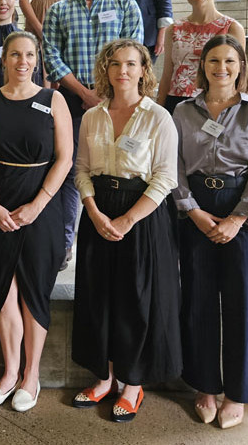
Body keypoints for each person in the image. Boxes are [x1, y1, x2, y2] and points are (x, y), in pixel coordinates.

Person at [70, 38, 180, 423]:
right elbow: (81, 169)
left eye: (131, 64)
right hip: (98, 210)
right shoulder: (91, 117)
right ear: (106, 69)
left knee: (135, 299)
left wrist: (127, 219)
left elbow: (165, 178)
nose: (123, 71)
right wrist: (95, 212)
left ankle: (132, 385)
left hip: (142, 216)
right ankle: (104, 378)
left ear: (144, 70)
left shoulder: (158, 117)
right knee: (99, 297)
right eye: (115, 64)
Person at [173, 34, 248, 430]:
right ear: (203, 66)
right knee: (198, 298)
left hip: (244, 212)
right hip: (197, 210)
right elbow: (174, 167)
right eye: (213, 61)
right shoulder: (183, 111)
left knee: (242, 301)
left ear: (240, 66)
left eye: (229, 61)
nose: (221, 68)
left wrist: (237, 219)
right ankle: (205, 387)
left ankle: (237, 391)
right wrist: (193, 211)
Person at [0, 31, 73, 413]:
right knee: (4, 291)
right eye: (15, 54)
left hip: (41, 207)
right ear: (5, 59)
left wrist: (38, 204)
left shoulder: (54, 99)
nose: (23, 61)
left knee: (33, 291)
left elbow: (64, 158)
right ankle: (10, 371)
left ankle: (32, 375)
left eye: (29, 54)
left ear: (37, 59)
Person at [42, 0, 143, 270]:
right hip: (72, 100)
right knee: (71, 170)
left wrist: (107, 94)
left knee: (116, 166)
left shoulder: (126, 5)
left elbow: (134, 55)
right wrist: (85, 94)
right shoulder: (58, 11)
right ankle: (66, 242)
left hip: (118, 100)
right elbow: (52, 57)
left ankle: (114, 231)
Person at [157, 0, 246, 114]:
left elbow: (240, 74)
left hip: (214, 102)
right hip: (176, 101)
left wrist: (236, 111)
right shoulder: (174, 29)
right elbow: (167, 74)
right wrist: (158, 109)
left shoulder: (232, 28)